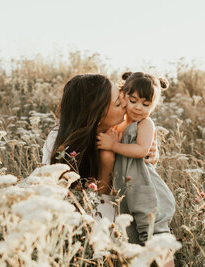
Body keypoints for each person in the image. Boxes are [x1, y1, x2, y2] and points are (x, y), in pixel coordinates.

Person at [42, 74, 159, 220]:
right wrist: (107, 163)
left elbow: (142, 151)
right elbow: (99, 206)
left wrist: (151, 154)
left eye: (122, 96)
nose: (125, 104)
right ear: (97, 114)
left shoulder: (119, 132)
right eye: (117, 103)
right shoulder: (58, 141)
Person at [96, 72, 176, 247]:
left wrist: (113, 146)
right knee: (132, 237)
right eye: (133, 101)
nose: (139, 108)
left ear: (153, 106)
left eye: (146, 104)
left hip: (143, 185)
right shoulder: (118, 123)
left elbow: (141, 150)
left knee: (154, 235)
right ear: (123, 95)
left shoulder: (145, 124)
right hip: (126, 189)